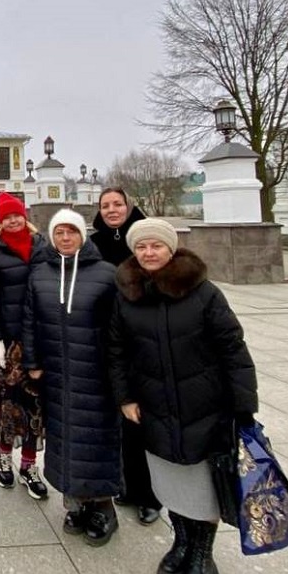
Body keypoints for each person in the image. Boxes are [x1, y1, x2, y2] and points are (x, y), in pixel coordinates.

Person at [108, 218, 258, 574]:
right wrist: (125, 398)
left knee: (203, 483)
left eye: (156, 246)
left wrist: (243, 406)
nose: (149, 253)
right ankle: (182, 542)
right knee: (171, 481)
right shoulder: (128, 295)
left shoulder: (204, 294)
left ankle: (202, 556)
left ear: (171, 249)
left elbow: (233, 350)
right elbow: (117, 351)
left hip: (203, 405)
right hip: (154, 406)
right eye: (142, 247)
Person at [22, 208, 122, 547]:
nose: (65, 239)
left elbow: (118, 328)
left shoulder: (107, 274)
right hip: (56, 371)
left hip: (95, 372)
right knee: (64, 437)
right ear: (51, 238)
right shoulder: (40, 275)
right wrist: (33, 361)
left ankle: (104, 507)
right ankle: (76, 502)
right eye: (59, 233)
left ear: (82, 236)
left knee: (96, 438)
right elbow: (30, 321)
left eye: (72, 232)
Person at [89, 186, 160, 525]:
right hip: (107, 337)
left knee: (142, 419)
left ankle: (149, 495)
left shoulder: (145, 238)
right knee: (116, 417)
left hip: (142, 339)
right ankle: (125, 484)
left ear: (128, 206)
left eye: (117, 204)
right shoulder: (95, 242)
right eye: (106, 205)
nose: (112, 210)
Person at [0, 192, 49, 500]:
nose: (13, 220)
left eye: (17, 214)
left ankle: (30, 465)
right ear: (0, 221)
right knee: (8, 403)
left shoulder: (43, 246)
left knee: (35, 404)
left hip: (40, 338)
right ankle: (4, 456)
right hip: (9, 342)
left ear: (25, 215)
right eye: (7, 217)